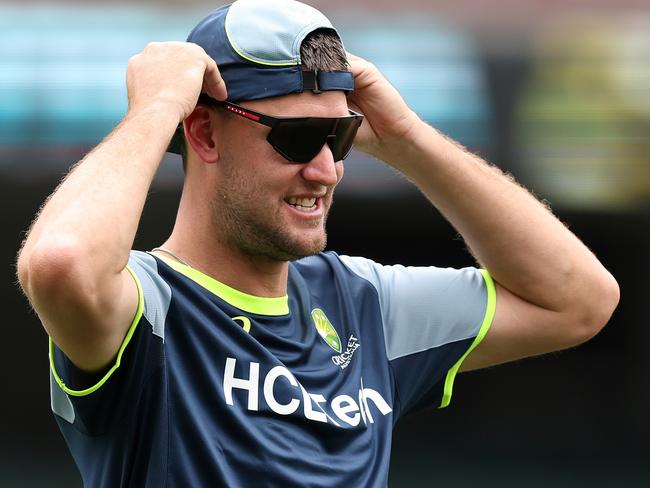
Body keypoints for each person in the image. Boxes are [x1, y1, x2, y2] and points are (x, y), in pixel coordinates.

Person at [16, 0, 619, 486]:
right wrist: (155, 109)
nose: (327, 170)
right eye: (300, 139)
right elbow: (60, 263)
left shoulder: (365, 304)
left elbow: (578, 300)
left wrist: (408, 140)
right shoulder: (149, 309)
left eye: (341, 135)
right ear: (204, 133)